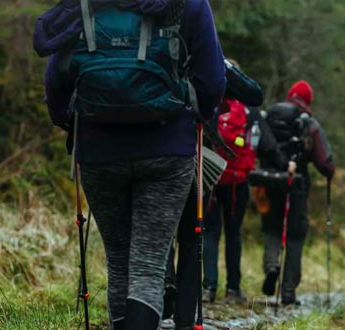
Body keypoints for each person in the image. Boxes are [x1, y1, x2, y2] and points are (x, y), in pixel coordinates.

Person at [35, 0, 225, 328]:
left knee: (119, 262)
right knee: (148, 267)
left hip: (99, 151)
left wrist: (69, 122)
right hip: (167, 149)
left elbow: (56, 80)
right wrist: (196, 112)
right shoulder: (188, 4)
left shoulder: (85, 3)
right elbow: (213, 80)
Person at [202, 60, 293, 304]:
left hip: (210, 178)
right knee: (234, 234)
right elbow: (268, 145)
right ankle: (233, 289)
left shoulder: (210, 101)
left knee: (209, 233)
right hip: (237, 181)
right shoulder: (249, 109)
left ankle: (208, 288)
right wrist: (286, 165)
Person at [260, 80, 335, 306]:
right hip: (297, 185)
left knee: (272, 227)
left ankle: (272, 264)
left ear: (290, 95)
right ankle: (288, 292)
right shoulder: (308, 123)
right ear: (308, 100)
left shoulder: (271, 114)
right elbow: (324, 161)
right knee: (295, 235)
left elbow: (261, 142)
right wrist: (329, 171)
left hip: (270, 181)